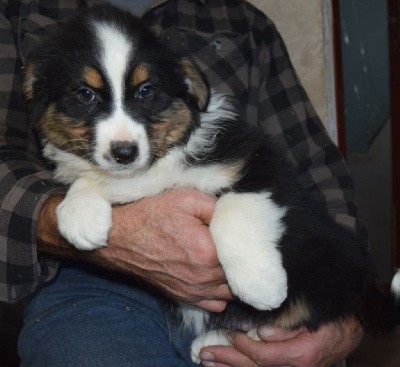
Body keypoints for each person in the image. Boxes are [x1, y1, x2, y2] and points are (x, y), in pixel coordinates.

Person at [0, 0, 365, 366]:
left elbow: (314, 166)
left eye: (145, 93)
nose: (123, 135)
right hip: (83, 274)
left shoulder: (241, 22)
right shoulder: (19, 12)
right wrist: (59, 213)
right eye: (86, 95)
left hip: (253, 273)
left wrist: (347, 304)